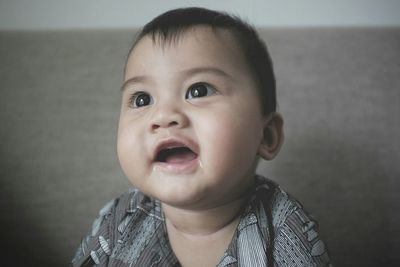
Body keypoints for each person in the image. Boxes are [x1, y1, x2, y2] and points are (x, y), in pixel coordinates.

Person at [71, 7, 331, 267]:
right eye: (142, 99)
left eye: (198, 90)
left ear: (266, 136)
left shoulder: (286, 230)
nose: (163, 116)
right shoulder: (119, 220)